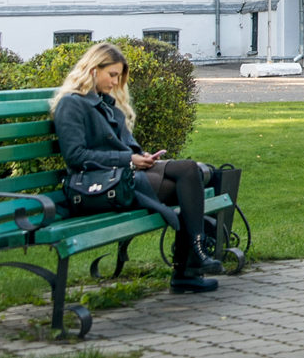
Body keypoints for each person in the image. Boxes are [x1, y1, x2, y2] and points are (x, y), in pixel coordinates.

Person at [51, 41, 223, 293]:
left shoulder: (104, 103)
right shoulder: (72, 104)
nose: (115, 82)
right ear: (92, 69)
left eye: (118, 77)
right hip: (96, 186)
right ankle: (189, 266)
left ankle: (193, 258)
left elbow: (122, 148)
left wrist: (139, 156)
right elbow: (76, 157)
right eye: (112, 75)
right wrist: (128, 160)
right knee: (186, 184)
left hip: (121, 176)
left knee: (189, 170)